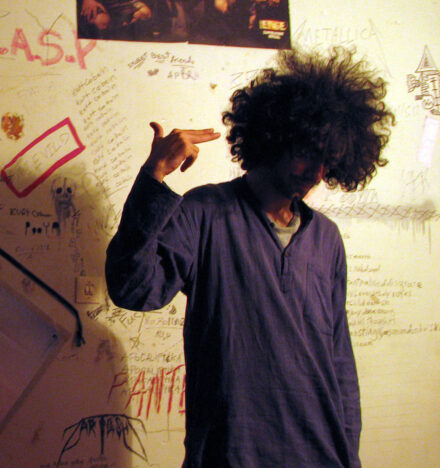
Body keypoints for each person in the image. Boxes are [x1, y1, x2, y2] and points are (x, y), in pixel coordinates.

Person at [105, 47, 394, 467]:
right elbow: (133, 290)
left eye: (326, 161)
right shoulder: (205, 212)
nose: (316, 174)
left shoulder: (326, 238)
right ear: (273, 137)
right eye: (306, 153)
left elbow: (339, 359)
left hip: (323, 454)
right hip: (231, 453)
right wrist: (154, 175)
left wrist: (349, 452)